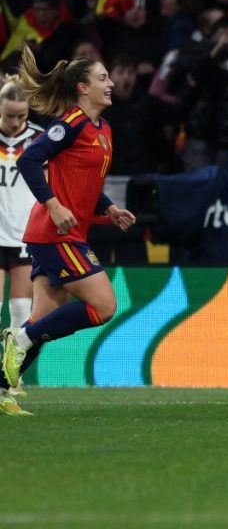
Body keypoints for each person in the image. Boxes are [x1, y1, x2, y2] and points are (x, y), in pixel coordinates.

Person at [1, 46, 136, 406]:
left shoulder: (103, 129)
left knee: (41, 320)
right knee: (104, 306)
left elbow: (84, 182)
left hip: (65, 231)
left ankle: (1, 392)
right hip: (55, 233)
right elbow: (30, 159)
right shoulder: (70, 124)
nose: (109, 84)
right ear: (82, 87)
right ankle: (19, 339)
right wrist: (54, 205)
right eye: (102, 78)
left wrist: (108, 208)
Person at [0, 76, 43, 415]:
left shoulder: (40, 140)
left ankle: (10, 380)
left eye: (21, 115)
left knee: (19, 311)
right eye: (9, 115)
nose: (16, 122)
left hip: (23, 236)